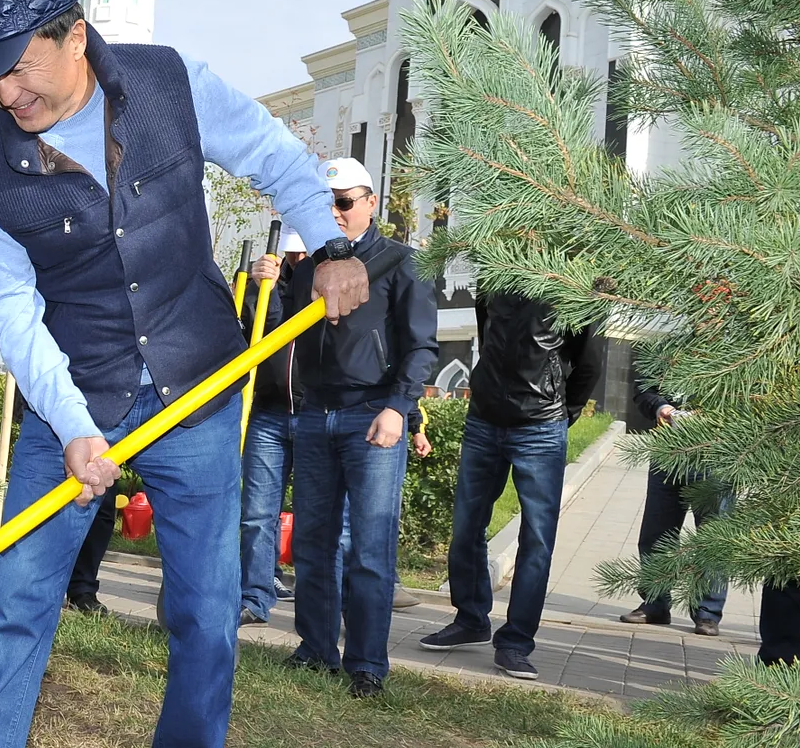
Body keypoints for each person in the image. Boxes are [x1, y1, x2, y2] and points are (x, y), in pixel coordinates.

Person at [0, 0, 364, 748]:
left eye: (17, 65)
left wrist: (329, 244)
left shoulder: (168, 83)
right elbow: (16, 311)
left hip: (197, 381)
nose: (2, 90)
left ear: (74, 36)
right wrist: (72, 427)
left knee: (205, 603)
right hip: (76, 394)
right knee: (18, 599)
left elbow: (276, 158)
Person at [282, 159, 437, 697]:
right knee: (312, 542)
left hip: (372, 415)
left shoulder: (399, 263)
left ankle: (367, 663)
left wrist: (399, 408)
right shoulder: (307, 269)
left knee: (370, 547)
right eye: (328, 204)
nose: (336, 213)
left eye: (346, 202)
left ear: (371, 201)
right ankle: (315, 648)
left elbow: (421, 346)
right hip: (314, 414)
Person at [419, 290, 602, 679]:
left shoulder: (574, 285)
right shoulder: (493, 278)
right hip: (484, 420)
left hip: (540, 426)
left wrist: (559, 414)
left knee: (536, 539)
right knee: (466, 526)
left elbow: (589, 365)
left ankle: (516, 642)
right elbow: (488, 339)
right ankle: (470, 619)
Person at [618, 385, 730, 636]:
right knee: (656, 534)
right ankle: (655, 604)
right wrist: (661, 407)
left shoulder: (739, 347)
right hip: (666, 454)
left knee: (713, 537)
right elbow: (643, 390)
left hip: (717, 455)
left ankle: (707, 613)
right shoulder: (664, 348)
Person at [239, 228, 309, 626]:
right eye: (291, 256)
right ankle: (256, 596)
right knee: (257, 514)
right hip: (268, 412)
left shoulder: (328, 278)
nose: (296, 263)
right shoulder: (269, 286)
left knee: (318, 517)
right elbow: (260, 332)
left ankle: (322, 601)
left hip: (315, 410)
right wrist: (255, 286)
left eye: (302, 256)